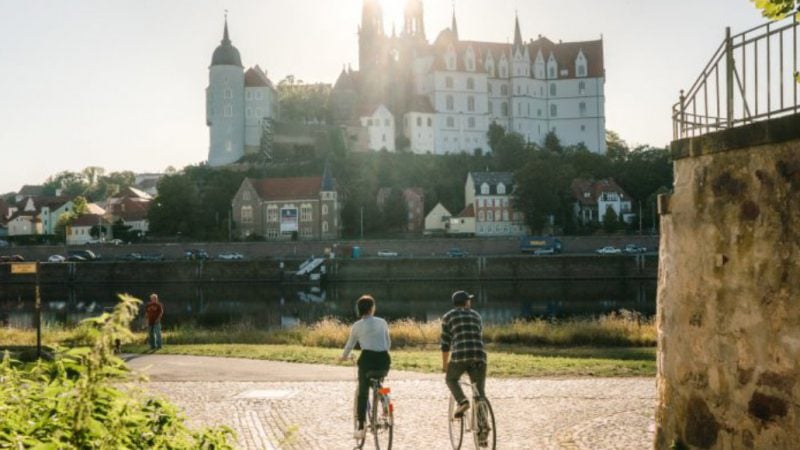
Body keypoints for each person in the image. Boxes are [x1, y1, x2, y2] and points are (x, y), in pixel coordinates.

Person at [340, 295, 391, 440]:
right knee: (380, 382)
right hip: (384, 359)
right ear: (372, 308)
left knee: (363, 392)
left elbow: (350, 345)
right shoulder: (382, 322)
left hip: (367, 360)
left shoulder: (357, 326)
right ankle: (385, 398)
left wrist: (344, 356)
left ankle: (361, 426)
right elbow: (388, 343)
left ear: (359, 310)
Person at [441, 290, 487, 422]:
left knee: (451, 379)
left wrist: (445, 365)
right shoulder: (476, 315)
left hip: (460, 356)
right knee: (479, 393)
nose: (470, 302)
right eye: (469, 300)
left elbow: (445, 344)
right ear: (466, 302)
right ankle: (483, 431)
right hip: (479, 355)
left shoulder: (448, 317)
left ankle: (462, 402)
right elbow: (478, 335)